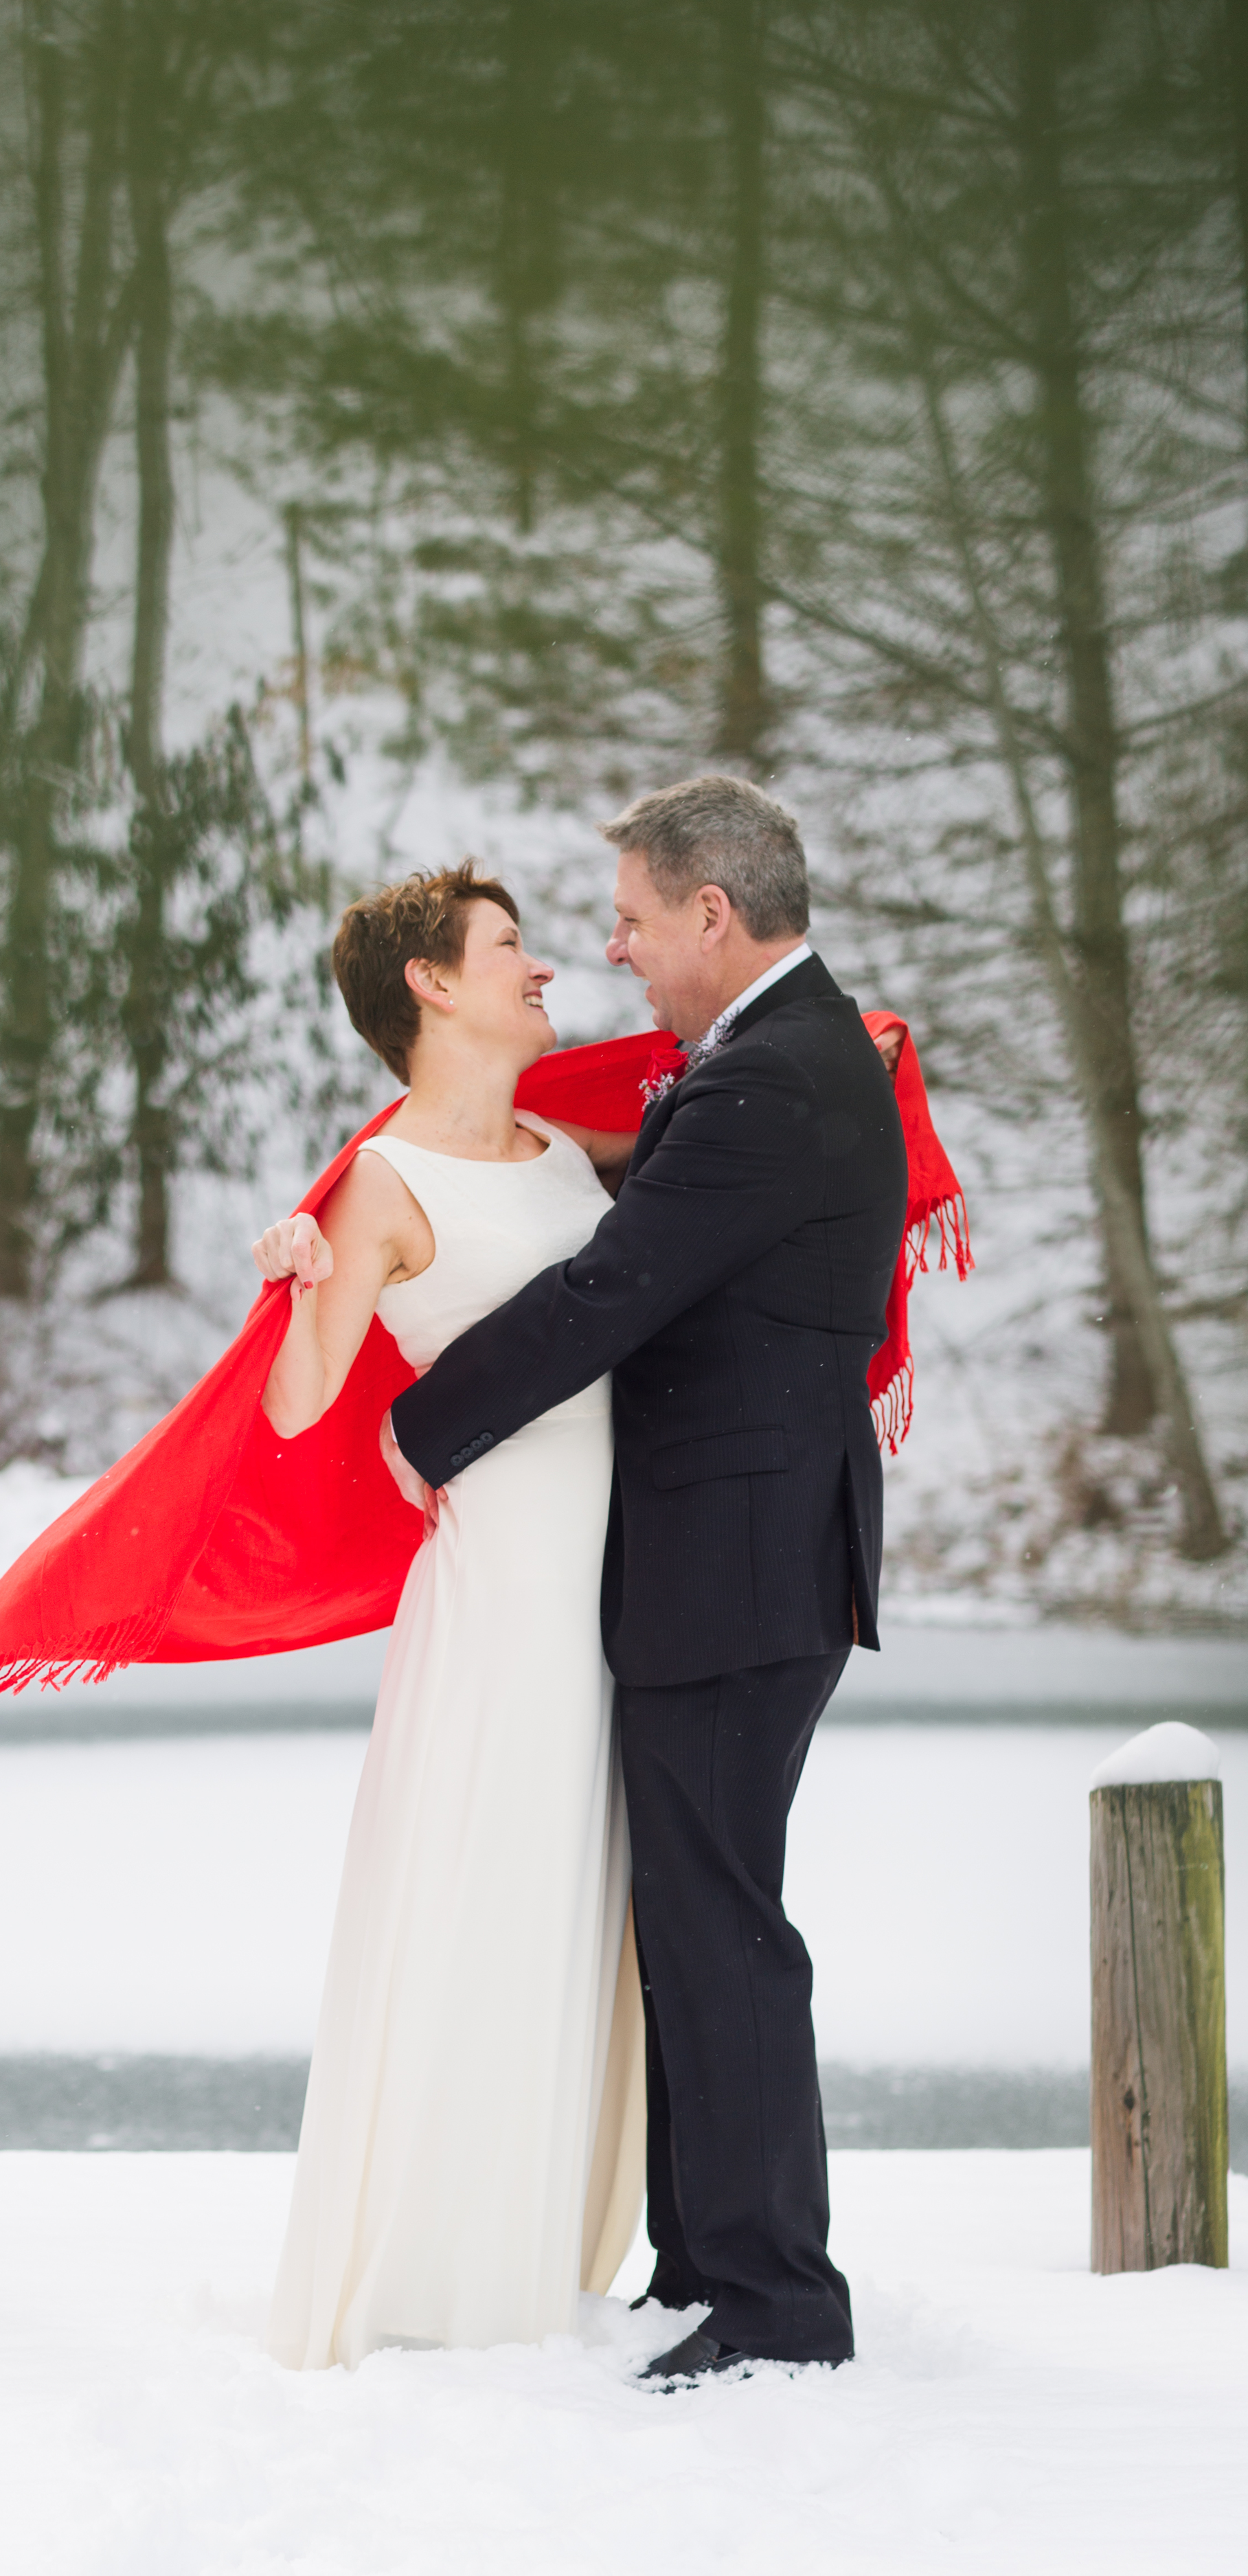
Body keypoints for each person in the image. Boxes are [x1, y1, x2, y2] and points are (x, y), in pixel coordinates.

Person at [384, 776, 908, 2382]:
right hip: (739, 1553)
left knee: (720, 1926)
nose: (606, 947)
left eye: (624, 916)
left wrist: (424, 1425)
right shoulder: (766, 1060)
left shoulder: (767, 1083)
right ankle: (704, 2265)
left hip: (738, 1562)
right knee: (691, 1919)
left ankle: (768, 2306)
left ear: (708, 912)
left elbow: (617, 1286)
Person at [254, 861, 650, 2371]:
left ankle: (542, 2248)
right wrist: (300, 1277)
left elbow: (699, 1171)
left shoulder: (565, 1141)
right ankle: (435, 2270)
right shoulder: (382, 1182)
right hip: (497, 1602)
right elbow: (301, 1408)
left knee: (577, 1899)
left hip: (612, 1586)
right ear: (428, 985)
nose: (540, 967)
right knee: (487, 1888)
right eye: (507, 949)